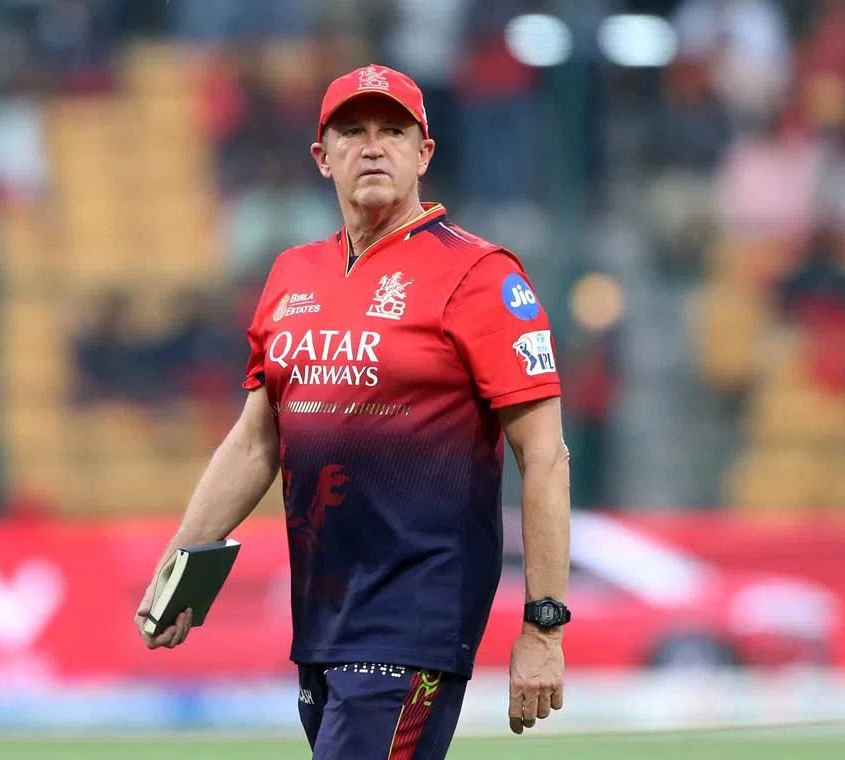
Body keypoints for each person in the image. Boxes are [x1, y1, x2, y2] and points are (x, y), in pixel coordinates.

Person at [135, 64, 571, 758]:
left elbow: (544, 454)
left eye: (394, 131)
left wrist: (544, 627)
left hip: (415, 621)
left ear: (424, 153)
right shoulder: (291, 275)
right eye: (353, 132)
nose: (373, 147)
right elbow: (255, 441)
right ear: (322, 157)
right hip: (321, 620)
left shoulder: (481, 276)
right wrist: (182, 559)